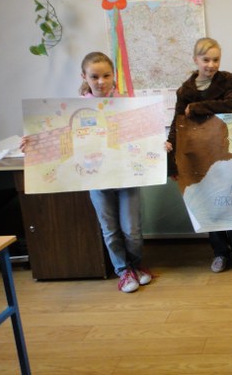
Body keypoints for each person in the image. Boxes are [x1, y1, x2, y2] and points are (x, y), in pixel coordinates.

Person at [166, 37, 232, 273]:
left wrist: (197, 108)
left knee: (231, 199)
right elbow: (178, 124)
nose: (211, 65)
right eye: (206, 60)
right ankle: (220, 252)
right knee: (211, 202)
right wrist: (171, 161)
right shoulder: (185, 91)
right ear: (195, 60)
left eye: (216, 60)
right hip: (199, 154)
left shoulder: (227, 80)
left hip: (226, 149)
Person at [80, 52, 152, 293]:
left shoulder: (127, 103)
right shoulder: (77, 108)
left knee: (132, 229)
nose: (101, 81)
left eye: (106, 75)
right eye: (94, 76)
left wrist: (157, 143)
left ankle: (136, 266)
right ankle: (123, 271)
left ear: (114, 75)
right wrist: (33, 143)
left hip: (126, 176)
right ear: (84, 77)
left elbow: (143, 134)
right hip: (98, 179)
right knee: (110, 230)